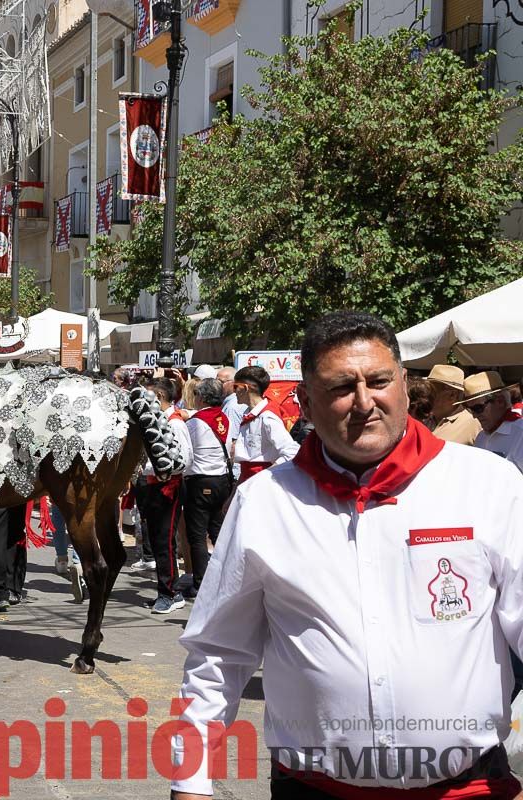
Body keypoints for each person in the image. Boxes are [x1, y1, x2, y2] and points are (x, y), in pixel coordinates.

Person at [173, 311, 523, 799]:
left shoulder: (489, 484)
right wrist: (191, 779)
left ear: (404, 385)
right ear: (306, 404)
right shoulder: (265, 503)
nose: (364, 403)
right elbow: (219, 653)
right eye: (341, 387)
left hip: (470, 788)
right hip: (314, 789)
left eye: (378, 381)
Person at [136, 377, 192, 614]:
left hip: (167, 488)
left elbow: (185, 459)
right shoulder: (158, 422)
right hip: (153, 486)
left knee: (164, 542)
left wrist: (158, 471)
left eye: (147, 396)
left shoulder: (175, 423)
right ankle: (167, 589)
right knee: (160, 541)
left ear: (158, 397)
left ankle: (169, 592)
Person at [183, 378, 233, 598]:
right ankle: (227, 580)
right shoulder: (225, 418)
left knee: (197, 535)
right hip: (223, 479)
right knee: (218, 532)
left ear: (200, 397)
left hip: (200, 480)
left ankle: (200, 583)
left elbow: (186, 453)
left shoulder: (195, 422)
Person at [231, 365, 299, 483]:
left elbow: (292, 452)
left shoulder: (267, 416)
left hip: (261, 485)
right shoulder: (250, 414)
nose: (234, 391)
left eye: (235, 386)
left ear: (246, 388)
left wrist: (264, 477)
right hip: (247, 480)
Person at [465, 371, 523, 471]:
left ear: (500, 401)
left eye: (478, 408)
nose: (474, 416)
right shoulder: (481, 437)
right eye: (470, 409)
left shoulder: (520, 434)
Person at [427, 364, 481, 445]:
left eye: (432, 391)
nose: (426, 394)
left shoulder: (473, 424)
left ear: (452, 395)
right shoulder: (425, 419)